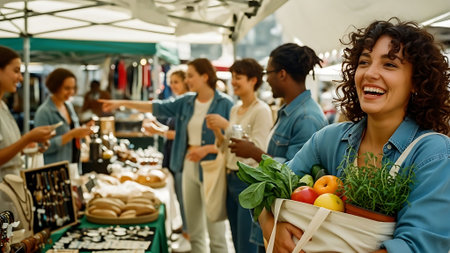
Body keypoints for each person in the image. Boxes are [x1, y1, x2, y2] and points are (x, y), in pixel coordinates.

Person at [260, 19, 450, 253]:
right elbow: (268, 188)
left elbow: (419, 245)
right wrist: (270, 224)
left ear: (416, 82)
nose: (370, 73)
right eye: (364, 62)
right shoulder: (328, 140)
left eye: (389, 64)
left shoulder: (432, 153)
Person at [101, 58, 234, 253]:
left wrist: (206, 150)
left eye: (190, 75)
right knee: (194, 227)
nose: (187, 80)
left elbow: (233, 139)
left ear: (205, 76)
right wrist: (121, 103)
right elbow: (157, 107)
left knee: (216, 227)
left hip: (212, 166)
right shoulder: (186, 101)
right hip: (187, 164)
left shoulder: (225, 103)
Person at [228, 44, 328, 251]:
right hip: (273, 216)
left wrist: (254, 152)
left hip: (287, 226)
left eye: (268, 73)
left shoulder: (307, 117)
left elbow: (296, 176)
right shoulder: (288, 111)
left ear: (282, 74)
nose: (266, 79)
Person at [205, 58, 273, 253]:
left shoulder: (261, 110)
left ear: (253, 80)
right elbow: (225, 147)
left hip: (248, 182)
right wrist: (218, 131)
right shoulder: (235, 109)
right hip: (230, 178)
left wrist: (226, 125)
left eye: (238, 77)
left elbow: (258, 150)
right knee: (235, 238)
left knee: (247, 244)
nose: (233, 81)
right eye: (233, 77)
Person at [142, 69, 191, 252]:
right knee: (180, 197)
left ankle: (189, 235)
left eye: (176, 81)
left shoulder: (187, 104)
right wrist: (158, 128)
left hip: (182, 159)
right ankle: (186, 229)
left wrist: (158, 131)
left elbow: (183, 135)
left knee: (184, 198)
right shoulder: (179, 104)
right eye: (171, 81)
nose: (172, 85)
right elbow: (172, 131)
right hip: (174, 156)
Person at [0, 45, 55, 181]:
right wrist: (27, 139)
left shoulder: (3, 105)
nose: (21, 78)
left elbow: (6, 150)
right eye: (16, 71)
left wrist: (26, 146)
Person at [34, 68, 93, 165]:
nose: (71, 92)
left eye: (73, 88)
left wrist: (83, 130)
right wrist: (71, 135)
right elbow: (42, 147)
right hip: (55, 169)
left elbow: (75, 132)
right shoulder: (44, 112)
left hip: (73, 164)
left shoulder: (68, 106)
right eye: (67, 88)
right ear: (55, 87)